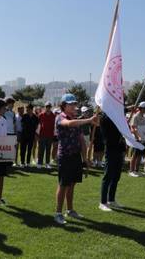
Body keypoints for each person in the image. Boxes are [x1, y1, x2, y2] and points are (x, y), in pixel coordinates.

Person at [54, 94, 98, 224]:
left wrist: (85, 159)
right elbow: (69, 124)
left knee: (72, 184)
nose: (74, 106)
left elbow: (82, 142)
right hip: (65, 156)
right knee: (63, 184)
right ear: (64, 106)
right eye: (71, 104)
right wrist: (89, 120)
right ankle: (58, 213)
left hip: (75, 156)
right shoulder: (60, 117)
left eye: (74, 104)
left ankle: (70, 210)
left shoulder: (76, 119)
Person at [99, 112, 126, 212]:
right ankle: (103, 202)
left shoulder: (117, 116)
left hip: (119, 148)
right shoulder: (105, 118)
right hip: (111, 149)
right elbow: (108, 125)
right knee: (108, 176)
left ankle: (111, 199)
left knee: (116, 176)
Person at [129, 101, 145, 177]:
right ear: (141, 108)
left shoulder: (144, 117)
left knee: (140, 154)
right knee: (135, 155)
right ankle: (131, 170)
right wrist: (138, 137)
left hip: (143, 139)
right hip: (136, 139)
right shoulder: (135, 116)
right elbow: (133, 128)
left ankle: (137, 170)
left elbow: (144, 129)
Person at [37, 101, 55, 169]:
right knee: (41, 150)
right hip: (42, 135)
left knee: (48, 150)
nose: (48, 108)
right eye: (47, 107)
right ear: (45, 107)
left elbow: (54, 126)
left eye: (49, 107)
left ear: (50, 107)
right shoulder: (41, 115)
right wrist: (37, 135)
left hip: (50, 135)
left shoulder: (53, 115)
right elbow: (38, 125)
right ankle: (39, 163)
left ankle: (47, 163)